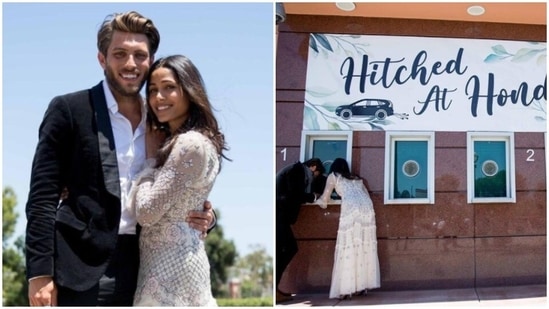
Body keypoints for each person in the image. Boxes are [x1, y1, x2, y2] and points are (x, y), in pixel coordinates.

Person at [25, 11, 215, 307]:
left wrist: (207, 217)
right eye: (120, 54)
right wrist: (39, 273)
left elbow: (179, 189)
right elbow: (42, 197)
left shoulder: (162, 124)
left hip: (146, 267)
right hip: (79, 266)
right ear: (102, 59)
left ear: (150, 60)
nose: (130, 64)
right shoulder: (69, 109)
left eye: (140, 55)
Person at [128, 54, 228, 306]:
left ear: (189, 90)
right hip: (163, 266)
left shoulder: (190, 143)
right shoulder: (182, 141)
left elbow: (147, 212)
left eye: (169, 88)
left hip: (171, 270)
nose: (158, 98)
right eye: (152, 90)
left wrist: (150, 160)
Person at [314, 158, 380, 299]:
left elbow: (324, 199)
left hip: (350, 208)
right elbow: (366, 195)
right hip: (367, 208)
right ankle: (362, 287)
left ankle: (345, 289)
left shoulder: (333, 176)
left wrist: (317, 200)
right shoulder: (356, 178)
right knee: (364, 246)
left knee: (348, 246)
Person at [275, 160, 316, 303]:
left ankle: (275, 289)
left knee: (285, 249)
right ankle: (274, 290)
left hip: (279, 216)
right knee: (288, 249)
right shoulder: (297, 170)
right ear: (313, 167)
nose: (314, 179)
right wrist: (313, 197)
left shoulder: (294, 169)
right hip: (278, 216)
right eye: (316, 175)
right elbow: (294, 194)